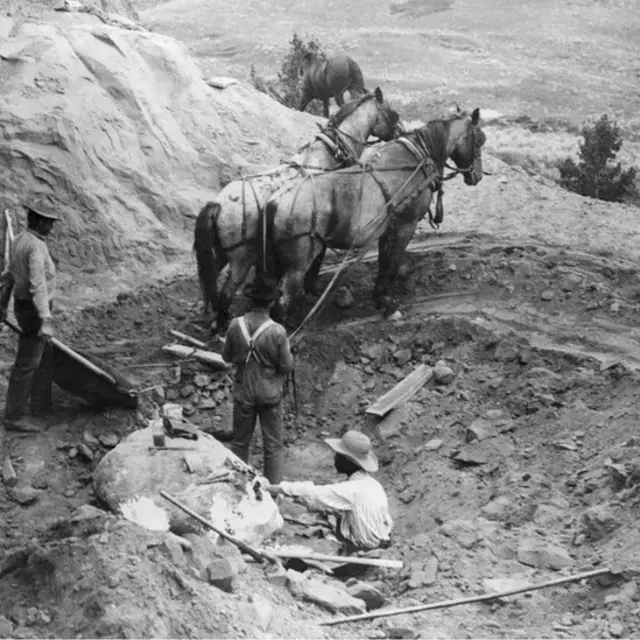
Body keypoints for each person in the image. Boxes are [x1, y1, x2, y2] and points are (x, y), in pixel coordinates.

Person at [264, 430, 393, 553]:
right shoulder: (373, 485)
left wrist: (277, 488)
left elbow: (313, 494)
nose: (335, 458)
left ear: (348, 461)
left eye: (338, 455)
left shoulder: (351, 490)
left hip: (365, 550)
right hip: (382, 542)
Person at [222, 273, 294, 484]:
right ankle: (273, 491)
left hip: (243, 390)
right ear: (271, 303)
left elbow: (226, 356)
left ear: (249, 300)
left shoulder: (236, 325)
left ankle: (239, 486)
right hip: (270, 392)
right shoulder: (277, 331)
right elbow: (286, 366)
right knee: (273, 445)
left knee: (240, 442)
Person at [1, 200, 59, 434]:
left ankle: (40, 406)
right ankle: (14, 416)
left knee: (44, 357)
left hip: (25, 307)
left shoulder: (20, 240)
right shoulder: (35, 246)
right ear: (41, 221)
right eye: (50, 223)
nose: (52, 228)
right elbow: (38, 285)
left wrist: (2, 304)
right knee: (27, 363)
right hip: (34, 311)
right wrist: (45, 319)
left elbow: (9, 275)